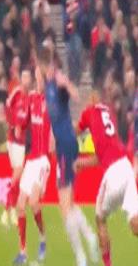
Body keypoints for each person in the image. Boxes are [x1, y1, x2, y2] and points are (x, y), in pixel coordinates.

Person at [37, 47, 98, 266]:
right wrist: (52, 136)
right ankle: (89, 238)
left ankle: (81, 256)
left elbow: (75, 94)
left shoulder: (57, 81)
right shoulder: (48, 85)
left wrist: (68, 85)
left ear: (42, 65)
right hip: (63, 143)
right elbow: (57, 115)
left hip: (66, 144)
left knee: (64, 207)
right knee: (68, 203)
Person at [74, 91, 138, 266]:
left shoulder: (89, 112)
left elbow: (74, 132)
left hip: (113, 173)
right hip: (126, 167)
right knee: (135, 223)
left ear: (91, 101)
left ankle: (107, 264)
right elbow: (101, 156)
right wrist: (82, 163)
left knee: (100, 218)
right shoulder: (108, 112)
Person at [13, 68, 52, 264]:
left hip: (43, 160)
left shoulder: (51, 102)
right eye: (36, 77)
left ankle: (43, 238)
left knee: (34, 202)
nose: (38, 81)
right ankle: (23, 251)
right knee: (20, 206)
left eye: (40, 77)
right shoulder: (31, 99)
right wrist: (19, 127)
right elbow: (22, 121)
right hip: (31, 159)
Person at [1, 68, 30, 228]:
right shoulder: (17, 93)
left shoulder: (29, 98)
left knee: (17, 176)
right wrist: (12, 125)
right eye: (23, 77)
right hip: (13, 140)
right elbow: (7, 107)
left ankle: (10, 210)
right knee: (18, 173)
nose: (25, 80)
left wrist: (22, 126)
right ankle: (7, 207)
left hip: (21, 141)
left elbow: (28, 119)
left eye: (27, 77)